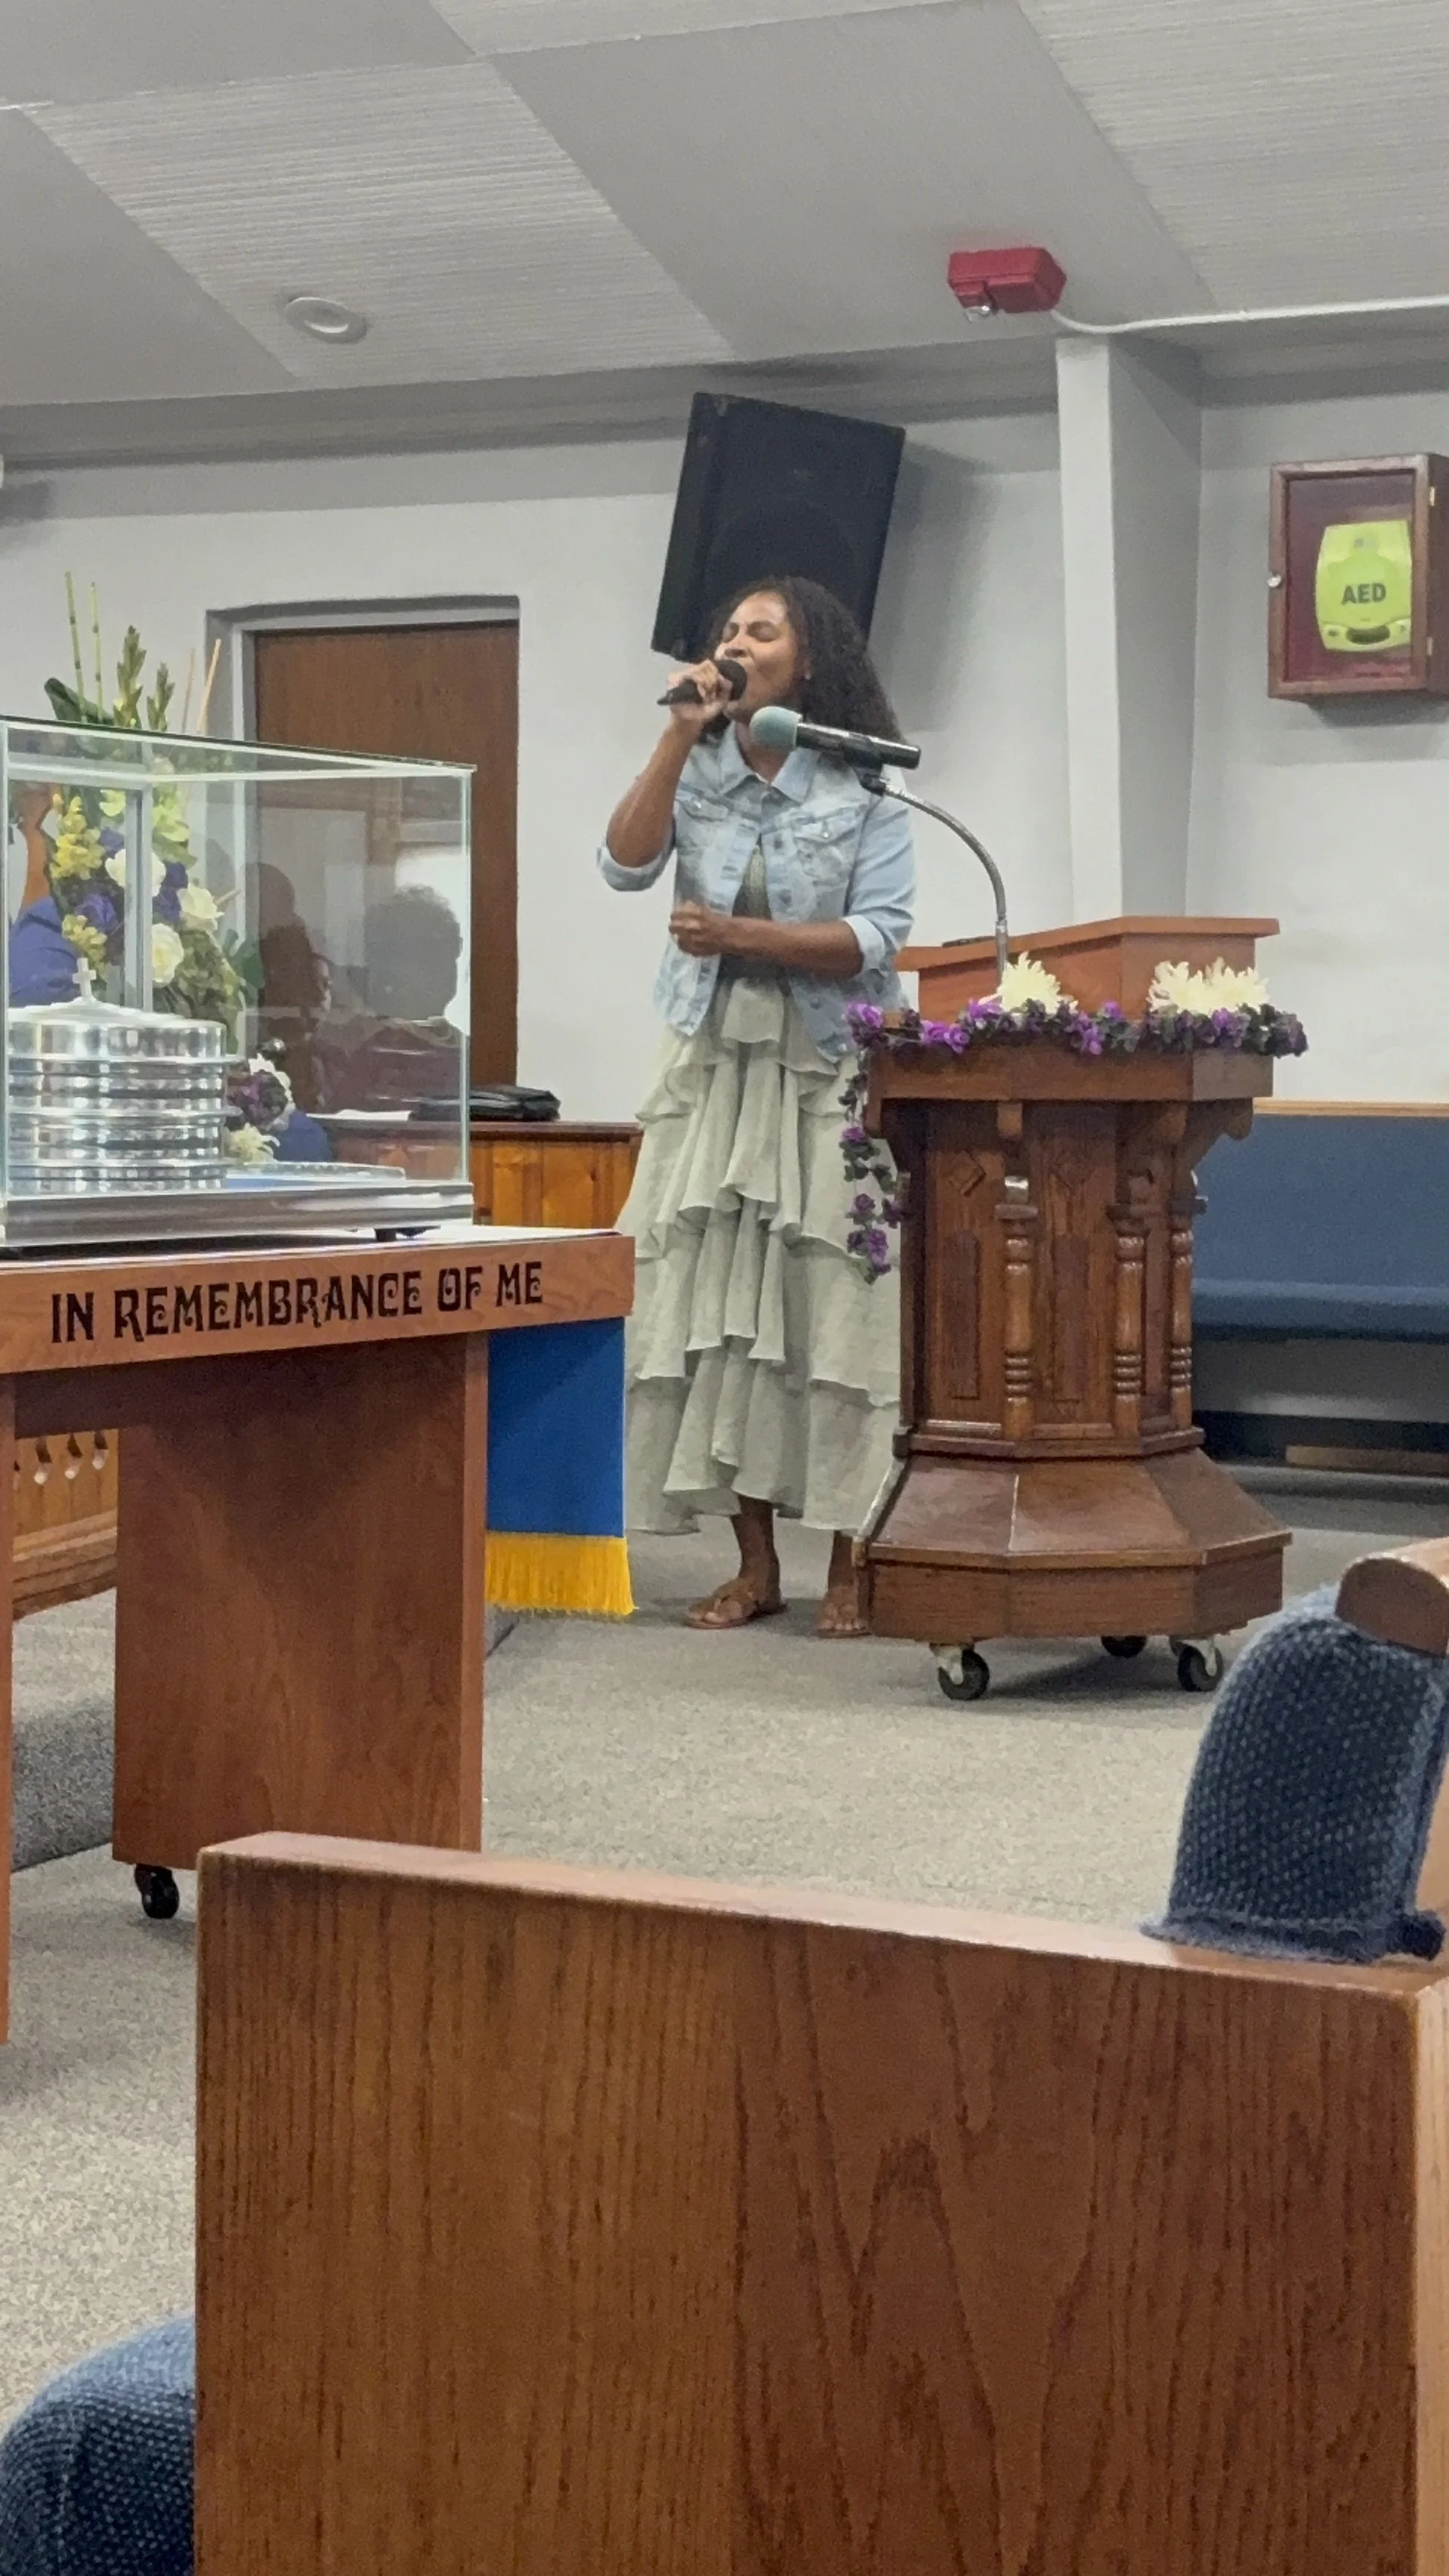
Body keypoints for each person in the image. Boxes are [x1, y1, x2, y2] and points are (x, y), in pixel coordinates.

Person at [600, 575, 913, 1637]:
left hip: (831, 1069)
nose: (736, 643)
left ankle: (855, 1561)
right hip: (715, 1067)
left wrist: (747, 939)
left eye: (760, 631)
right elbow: (621, 864)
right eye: (729, 631)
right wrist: (677, 740)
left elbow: (878, 935)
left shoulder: (865, 786)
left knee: (833, 1309)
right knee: (720, 1312)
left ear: (809, 662)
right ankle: (755, 1562)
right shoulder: (700, 769)